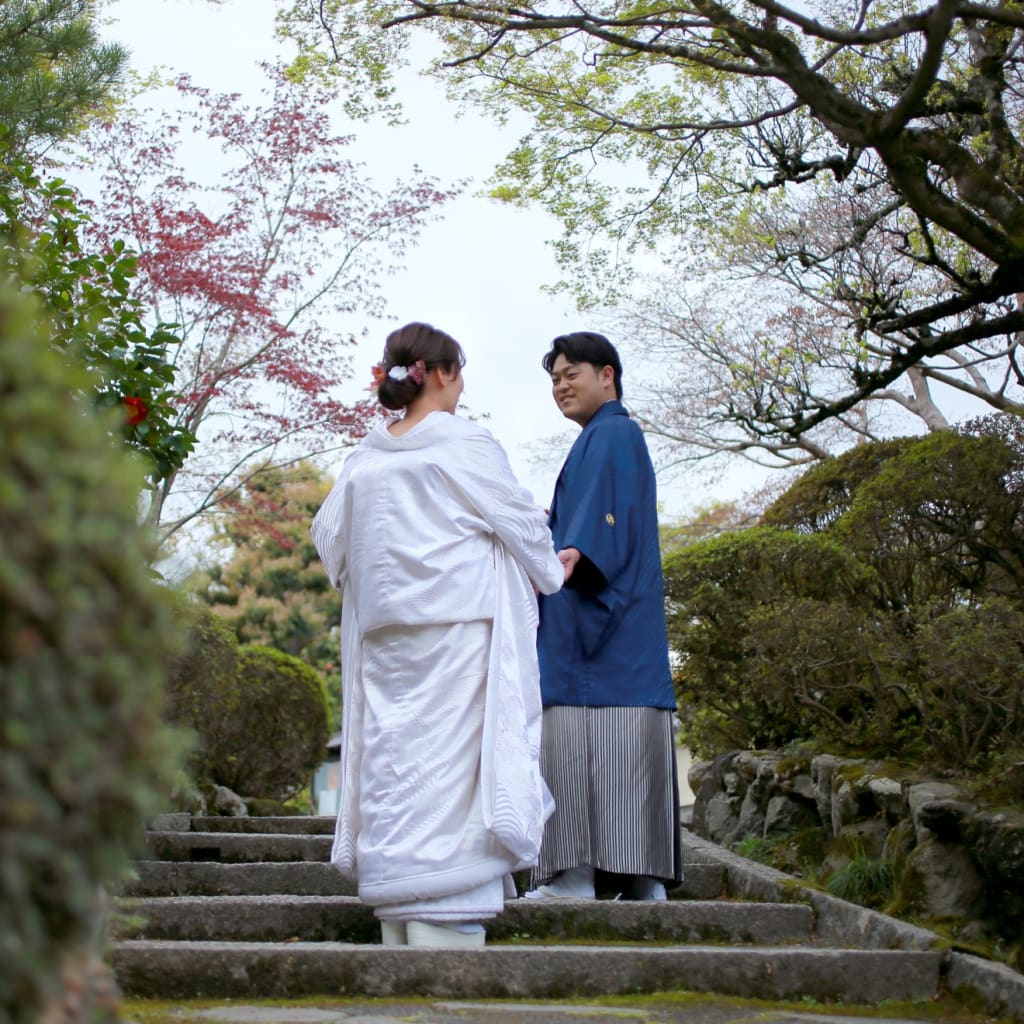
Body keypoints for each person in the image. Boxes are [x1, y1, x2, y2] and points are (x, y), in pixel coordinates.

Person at [311, 322, 564, 948]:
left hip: (385, 642)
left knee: (395, 764)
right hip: (457, 636)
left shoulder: (364, 459)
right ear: (444, 373)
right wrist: (544, 571)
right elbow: (526, 530)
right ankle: (444, 909)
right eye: (461, 374)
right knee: (451, 774)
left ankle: (399, 904)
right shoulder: (464, 445)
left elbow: (331, 543)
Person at [526, 331, 682, 901]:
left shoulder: (612, 434)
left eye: (572, 374)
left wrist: (570, 558)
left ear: (608, 375)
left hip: (594, 633)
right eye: (554, 379)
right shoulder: (609, 437)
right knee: (626, 761)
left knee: (576, 750)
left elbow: (595, 535)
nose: (561, 387)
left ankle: (572, 876)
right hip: (625, 639)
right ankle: (642, 884)